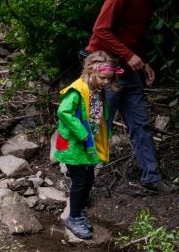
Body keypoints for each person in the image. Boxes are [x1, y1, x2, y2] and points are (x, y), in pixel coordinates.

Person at [84, 0, 177, 193]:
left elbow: (131, 38)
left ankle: (151, 177)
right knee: (98, 123)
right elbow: (100, 30)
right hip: (103, 69)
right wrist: (129, 55)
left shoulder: (148, 3)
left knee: (140, 123)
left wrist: (142, 62)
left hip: (127, 70)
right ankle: (80, 178)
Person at [53, 51, 123, 240]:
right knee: (80, 180)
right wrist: (82, 133)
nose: (106, 82)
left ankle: (80, 210)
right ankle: (73, 217)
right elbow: (63, 112)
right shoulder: (78, 89)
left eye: (109, 79)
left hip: (88, 145)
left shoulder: (97, 89)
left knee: (89, 177)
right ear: (90, 71)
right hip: (75, 145)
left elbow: (97, 114)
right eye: (103, 78)